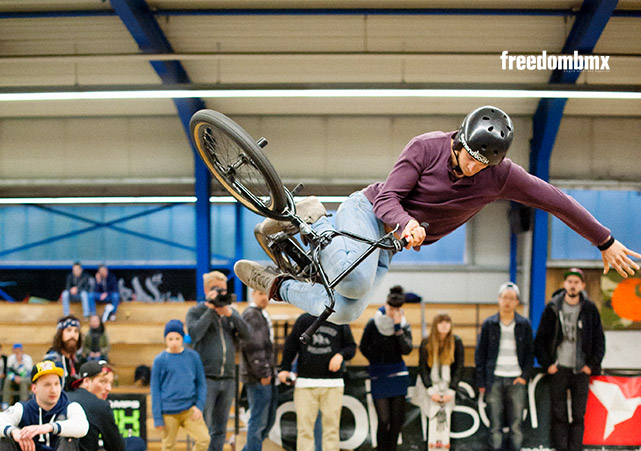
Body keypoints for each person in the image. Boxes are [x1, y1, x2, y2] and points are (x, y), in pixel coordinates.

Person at [235, 106, 640, 322]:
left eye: (484, 165)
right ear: (459, 140)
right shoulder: (425, 147)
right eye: (470, 158)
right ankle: (315, 217)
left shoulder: (501, 175)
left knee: (344, 311)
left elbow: (556, 200)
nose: (474, 169)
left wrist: (603, 240)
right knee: (355, 283)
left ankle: (274, 284)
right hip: (367, 213)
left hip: (389, 245)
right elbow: (387, 198)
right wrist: (408, 222)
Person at [534, 267, 605, 451]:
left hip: (580, 370)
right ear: (564, 285)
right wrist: (548, 364)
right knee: (559, 415)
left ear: (582, 285)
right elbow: (540, 340)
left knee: (578, 416)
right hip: (559, 369)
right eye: (569, 281)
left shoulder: (590, 309)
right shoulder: (553, 307)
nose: (573, 285)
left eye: (577, 282)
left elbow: (599, 340)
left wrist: (590, 365)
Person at [185, 271, 249, 451]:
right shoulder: (196, 311)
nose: (221, 292)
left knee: (221, 427)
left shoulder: (229, 314)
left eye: (223, 289)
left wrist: (231, 314)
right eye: (217, 289)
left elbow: (247, 334)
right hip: (206, 378)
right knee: (205, 426)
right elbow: (194, 334)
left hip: (228, 378)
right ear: (206, 290)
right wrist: (211, 309)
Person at [279, 312, 356, 451]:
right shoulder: (304, 320)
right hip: (306, 382)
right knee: (304, 425)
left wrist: (340, 355)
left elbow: (351, 347)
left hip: (332, 383)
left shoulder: (340, 319)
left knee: (332, 426)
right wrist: (284, 367)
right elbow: (291, 345)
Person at [151, 319, 215, 451]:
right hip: (168, 412)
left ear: (182, 338)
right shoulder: (160, 360)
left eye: (177, 338)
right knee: (168, 446)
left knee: (203, 439)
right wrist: (157, 416)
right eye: (170, 338)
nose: (173, 342)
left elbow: (201, 383)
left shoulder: (192, 357)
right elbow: (155, 390)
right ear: (165, 339)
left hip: (189, 409)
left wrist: (198, 406)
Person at [475, 281, 534, 451]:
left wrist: (524, 376)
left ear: (516, 301)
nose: (507, 302)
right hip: (495, 379)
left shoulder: (524, 324)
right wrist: (482, 381)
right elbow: (480, 354)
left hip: (516, 379)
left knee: (516, 423)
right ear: (499, 300)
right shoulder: (489, 324)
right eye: (504, 297)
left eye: (511, 298)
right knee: (496, 423)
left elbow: (529, 354)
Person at [69, 359, 146, 451]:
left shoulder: (64, 398)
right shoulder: (100, 406)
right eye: (103, 382)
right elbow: (118, 449)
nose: (109, 388)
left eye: (110, 383)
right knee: (137, 442)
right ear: (86, 382)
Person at [359, 285, 413, 451]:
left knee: (397, 421)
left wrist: (397, 328)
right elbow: (363, 347)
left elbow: (407, 349)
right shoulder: (373, 323)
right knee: (384, 420)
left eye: (397, 310)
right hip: (379, 376)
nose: (393, 313)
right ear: (386, 305)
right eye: (391, 309)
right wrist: (376, 358)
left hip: (398, 376)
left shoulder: (404, 325)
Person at [415, 313, 464, 451]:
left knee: (445, 424)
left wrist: (452, 390)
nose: (444, 325)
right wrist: (430, 390)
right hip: (430, 389)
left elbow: (459, 368)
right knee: (432, 423)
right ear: (435, 325)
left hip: (448, 389)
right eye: (441, 322)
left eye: (447, 322)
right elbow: (423, 368)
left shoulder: (456, 342)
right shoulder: (426, 343)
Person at [239, 289, 279, 451]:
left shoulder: (259, 314)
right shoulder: (252, 316)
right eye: (261, 293)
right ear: (254, 293)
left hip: (263, 374)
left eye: (267, 294)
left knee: (267, 419)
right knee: (259, 419)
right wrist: (263, 373)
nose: (265, 297)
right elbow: (253, 348)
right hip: (258, 377)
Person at [45, 315, 83, 388]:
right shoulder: (53, 359)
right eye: (68, 330)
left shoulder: (77, 359)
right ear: (60, 334)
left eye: (76, 331)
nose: (73, 335)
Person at [2, 342, 33, 407]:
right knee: (7, 380)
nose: (17, 351)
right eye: (15, 349)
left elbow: (28, 374)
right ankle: (5, 403)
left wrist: (20, 363)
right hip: (15, 378)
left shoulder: (28, 358)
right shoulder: (11, 358)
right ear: (13, 350)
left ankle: (23, 403)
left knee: (23, 381)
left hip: (26, 377)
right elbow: (8, 372)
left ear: (22, 350)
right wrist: (14, 378)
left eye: (19, 349)